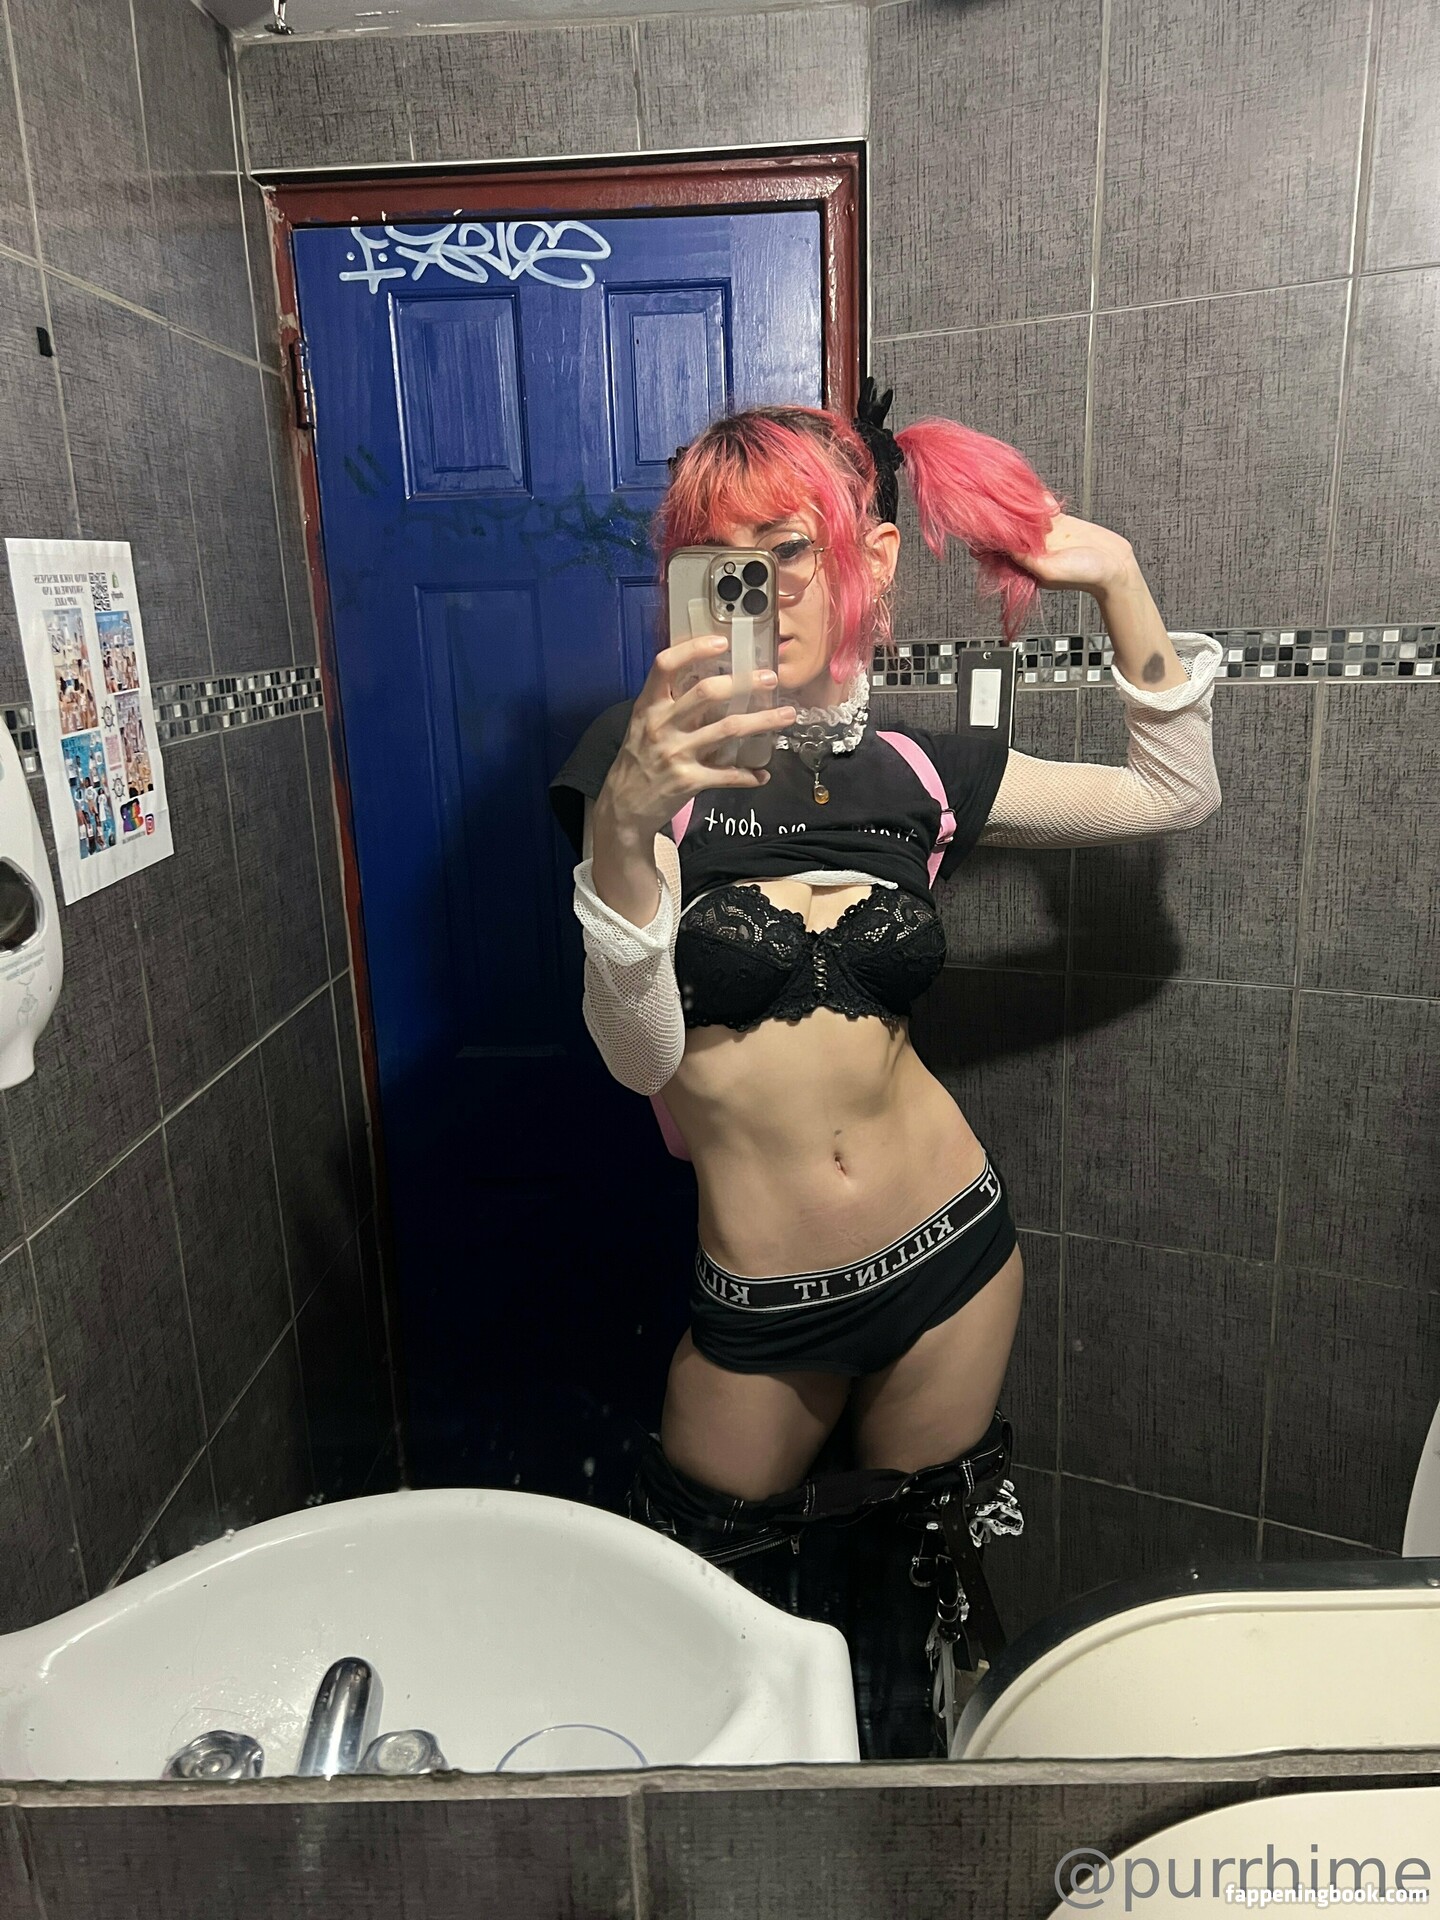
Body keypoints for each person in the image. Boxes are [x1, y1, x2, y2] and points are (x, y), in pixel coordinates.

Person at [548, 389, 1222, 1574]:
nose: (761, 588)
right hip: (760, 1310)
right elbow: (639, 1056)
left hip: (950, 1256)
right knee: (713, 1605)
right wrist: (623, 829)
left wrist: (1118, 577)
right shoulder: (642, 765)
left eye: (789, 549)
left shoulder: (920, 769)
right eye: (721, 559)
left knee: (922, 1591)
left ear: (872, 556)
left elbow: (1175, 793)